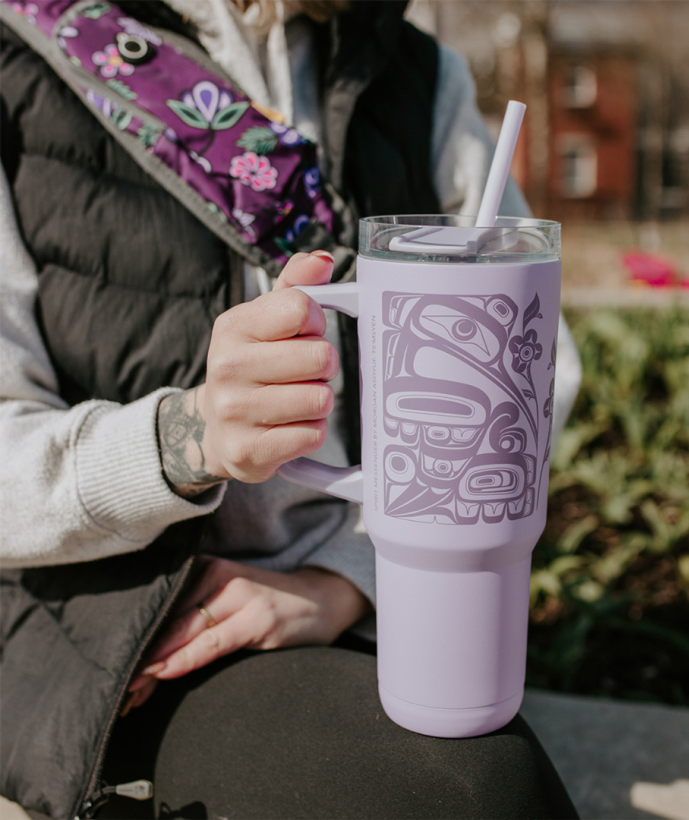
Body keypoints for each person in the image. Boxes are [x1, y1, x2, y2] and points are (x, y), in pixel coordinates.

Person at [0, 1, 583, 818]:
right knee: (469, 794)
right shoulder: (20, 54)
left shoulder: (414, 72)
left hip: (388, 597)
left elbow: (533, 359)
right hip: (128, 633)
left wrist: (345, 576)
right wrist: (183, 437)